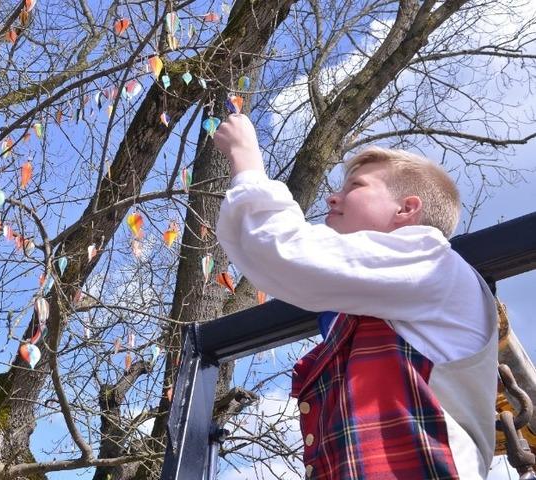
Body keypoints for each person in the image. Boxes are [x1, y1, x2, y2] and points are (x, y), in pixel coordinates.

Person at [213, 113, 498, 479]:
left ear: (406, 209)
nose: (333, 197)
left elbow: (286, 254)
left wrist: (246, 158)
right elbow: (274, 261)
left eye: (356, 186)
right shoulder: (378, 301)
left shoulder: (431, 258)